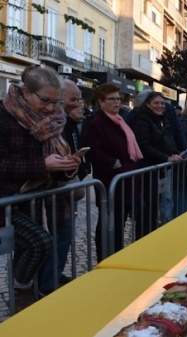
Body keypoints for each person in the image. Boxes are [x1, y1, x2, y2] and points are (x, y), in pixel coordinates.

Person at [0, 66, 80, 311]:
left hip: (29, 197)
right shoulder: (4, 117)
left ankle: (23, 294)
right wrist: (42, 164)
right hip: (6, 199)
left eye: (56, 102)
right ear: (26, 92)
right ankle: (20, 288)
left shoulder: (51, 120)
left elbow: (54, 157)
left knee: (27, 248)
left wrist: (67, 165)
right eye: (45, 100)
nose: (51, 108)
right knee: (40, 242)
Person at [38, 79, 89, 295]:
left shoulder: (67, 120)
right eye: (73, 99)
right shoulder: (53, 122)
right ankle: (45, 284)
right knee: (52, 237)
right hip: (49, 186)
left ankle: (52, 276)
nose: (77, 103)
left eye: (79, 99)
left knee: (63, 235)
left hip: (63, 184)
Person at [84, 83, 144, 262]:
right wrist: (114, 163)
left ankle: (118, 254)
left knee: (120, 221)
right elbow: (93, 150)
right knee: (109, 222)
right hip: (111, 182)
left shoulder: (119, 119)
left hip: (126, 181)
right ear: (101, 102)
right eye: (112, 99)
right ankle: (106, 257)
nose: (117, 102)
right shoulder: (97, 123)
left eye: (119, 98)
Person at [130, 91, 184, 225]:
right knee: (147, 211)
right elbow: (144, 146)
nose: (160, 106)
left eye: (162, 103)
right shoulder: (143, 119)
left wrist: (175, 153)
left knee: (154, 208)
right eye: (156, 103)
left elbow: (166, 141)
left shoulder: (161, 119)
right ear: (148, 104)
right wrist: (166, 158)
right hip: (147, 170)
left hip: (158, 171)